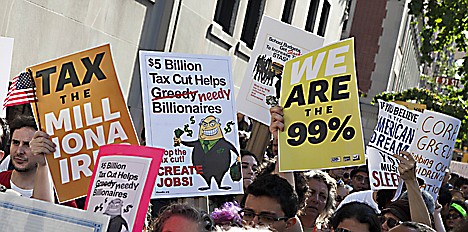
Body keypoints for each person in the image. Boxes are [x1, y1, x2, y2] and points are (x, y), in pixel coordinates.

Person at [0, 115, 54, 202]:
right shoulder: (1, 180)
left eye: (27, 145)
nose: (19, 151)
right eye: (16, 143)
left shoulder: (60, 194)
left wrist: (43, 164)